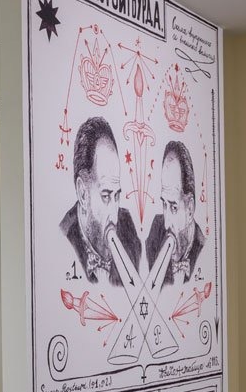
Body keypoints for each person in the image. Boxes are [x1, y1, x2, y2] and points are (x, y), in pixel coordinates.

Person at [59, 116, 141, 285]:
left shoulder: (128, 229)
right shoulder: (62, 240)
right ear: (83, 193)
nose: (115, 218)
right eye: (106, 196)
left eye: (117, 196)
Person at [146, 141, 205, 286]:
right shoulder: (155, 232)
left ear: (190, 209)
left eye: (173, 208)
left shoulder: (203, 249)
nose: (166, 224)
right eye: (164, 205)